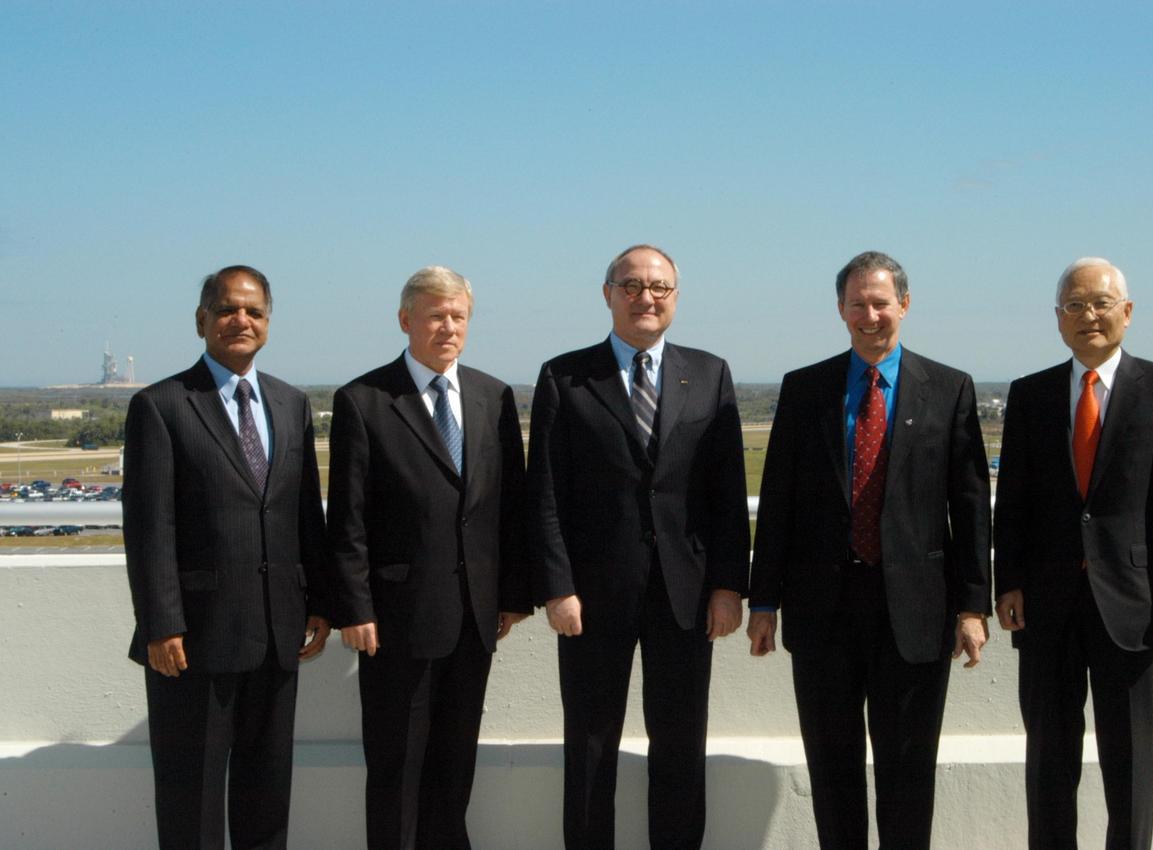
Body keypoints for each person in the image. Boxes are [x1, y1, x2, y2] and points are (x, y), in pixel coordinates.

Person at [747, 250, 991, 850]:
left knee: (908, 774)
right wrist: (764, 602)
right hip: (823, 608)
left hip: (915, 612)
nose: (870, 314)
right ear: (840, 309)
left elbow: (970, 509)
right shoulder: (805, 389)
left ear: (904, 305)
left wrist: (971, 607)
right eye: (858, 303)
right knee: (832, 773)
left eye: (881, 302)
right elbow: (778, 501)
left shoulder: (950, 388)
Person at [526, 244, 751, 850]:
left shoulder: (710, 373)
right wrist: (557, 586)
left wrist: (729, 586)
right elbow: (545, 493)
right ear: (607, 294)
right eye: (630, 286)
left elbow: (728, 493)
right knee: (591, 743)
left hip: (687, 595)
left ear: (675, 297)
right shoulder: (565, 376)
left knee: (680, 743)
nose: (645, 297)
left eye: (659, 287)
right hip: (592, 597)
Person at [994, 257, 1153, 850]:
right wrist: (1007, 581)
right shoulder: (1029, 395)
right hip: (1046, 608)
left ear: (1127, 313)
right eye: (1075, 305)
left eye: (1101, 303)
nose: (1089, 315)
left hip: (1137, 608)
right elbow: (1013, 502)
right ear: (1058, 318)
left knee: (1130, 765)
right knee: (1049, 764)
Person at [123, 264, 331, 849]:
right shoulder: (161, 405)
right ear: (201, 320)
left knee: (267, 798)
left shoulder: (291, 404)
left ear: (268, 323)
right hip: (193, 643)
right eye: (227, 309)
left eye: (254, 311)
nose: (241, 320)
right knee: (192, 803)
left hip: (277, 634)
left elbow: (303, 515)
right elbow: (148, 528)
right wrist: (162, 624)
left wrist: (319, 601)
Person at [326, 265, 529, 850]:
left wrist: (513, 594)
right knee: (396, 769)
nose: (448, 326)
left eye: (458, 316)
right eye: (435, 315)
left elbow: (509, 504)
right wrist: (354, 607)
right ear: (405, 320)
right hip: (394, 620)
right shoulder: (364, 401)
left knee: (455, 765)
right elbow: (349, 519)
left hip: (475, 618)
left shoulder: (493, 396)